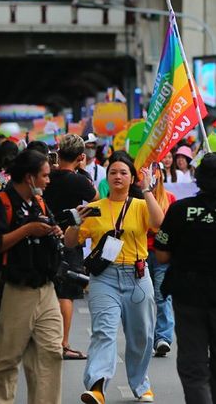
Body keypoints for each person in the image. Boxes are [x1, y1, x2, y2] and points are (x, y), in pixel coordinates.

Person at [154, 153, 216, 404]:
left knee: (193, 367)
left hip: (188, 296)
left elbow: (162, 255)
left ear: (198, 179)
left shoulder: (179, 210)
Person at [64, 152, 165, 404]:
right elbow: (69, 242)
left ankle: (141, 384)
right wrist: (76, 221)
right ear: (106, 178)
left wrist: (148, 191)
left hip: (138, 277)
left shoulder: (141, 205)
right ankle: (97, 386)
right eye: (113, 173)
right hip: (104, 279)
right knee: (103, 333)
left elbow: (158, 223)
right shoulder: (94, 208)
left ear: (132, 178)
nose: (118, 176)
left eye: (123, 173)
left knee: (142, 336)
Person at [0, 149, 63, 404]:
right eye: (44, 175)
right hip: (14, 289)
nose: (48, 180)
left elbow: (52, 233)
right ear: (29, 177)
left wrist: (55, 230)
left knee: (51, 352)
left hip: (45, 289)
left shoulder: (40, 202)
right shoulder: (0, 202)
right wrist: (27, 230)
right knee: (6, 358)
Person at [42, 133, 96, 361]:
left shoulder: (46, 177)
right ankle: (62, 344)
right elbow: (98, 204)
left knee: (45, 291)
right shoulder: (80, 182)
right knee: (66, 293)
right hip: (70, 239)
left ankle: (43, 341)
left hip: (42, 237)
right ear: (81, 156)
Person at [146, 162, 177, 358]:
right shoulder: (137, 198)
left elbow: (170, 227)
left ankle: (163, 338)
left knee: (162, 296)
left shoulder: (170, 199)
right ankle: (145, 337)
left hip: (162, 255)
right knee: (142, 299)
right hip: (139, 253)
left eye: (154, 173)